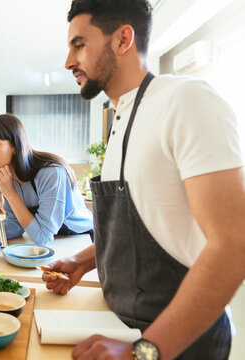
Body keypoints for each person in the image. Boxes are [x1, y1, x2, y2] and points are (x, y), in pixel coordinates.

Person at [41, 1, 245, 359]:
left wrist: (144, 351)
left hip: (177, 344)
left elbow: (235, 243)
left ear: (122, 39)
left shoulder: (186, 101)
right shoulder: (122, 116)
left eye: (79, 45)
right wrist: (82, 262)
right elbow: (152, 223)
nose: (69, 61)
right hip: (122, 325)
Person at [0, 114, 93, 245]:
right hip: (55, 239)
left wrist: (10, 193)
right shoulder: (8, 176)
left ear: (15, 146)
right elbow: (15, 223)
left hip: (80, 238)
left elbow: (43, 236)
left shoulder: (51, 173)